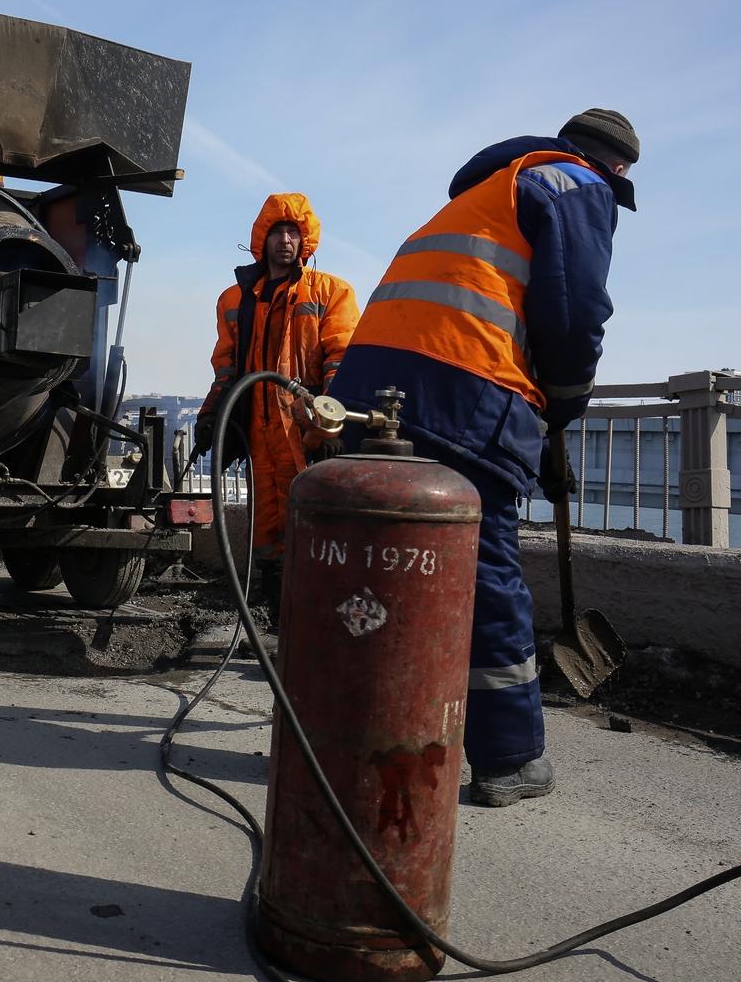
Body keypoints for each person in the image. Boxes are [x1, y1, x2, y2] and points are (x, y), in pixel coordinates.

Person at [329, 108, 639, 807]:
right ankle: (510, 758)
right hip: (459, 389)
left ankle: (347, 733)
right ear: (615, 168)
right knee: (484, 562)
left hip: (369, 389)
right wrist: (561, 407)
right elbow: (574, 313)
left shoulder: (489, 191)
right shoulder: (578, 184)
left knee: (379, 558)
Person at [191, 193, 359, 615]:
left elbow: (341, 360)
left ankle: (313, 614)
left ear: (306, 240)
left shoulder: (331, 292)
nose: (286, 239)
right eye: (277, 231)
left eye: (294, 231)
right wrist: (213, 412)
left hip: (305, 430)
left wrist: (329, 427)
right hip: (259, 432)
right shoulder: (235, 299)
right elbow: (226, 366)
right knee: (266, 520)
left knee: (314, 518)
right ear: (261, 239)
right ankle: (274, 612)